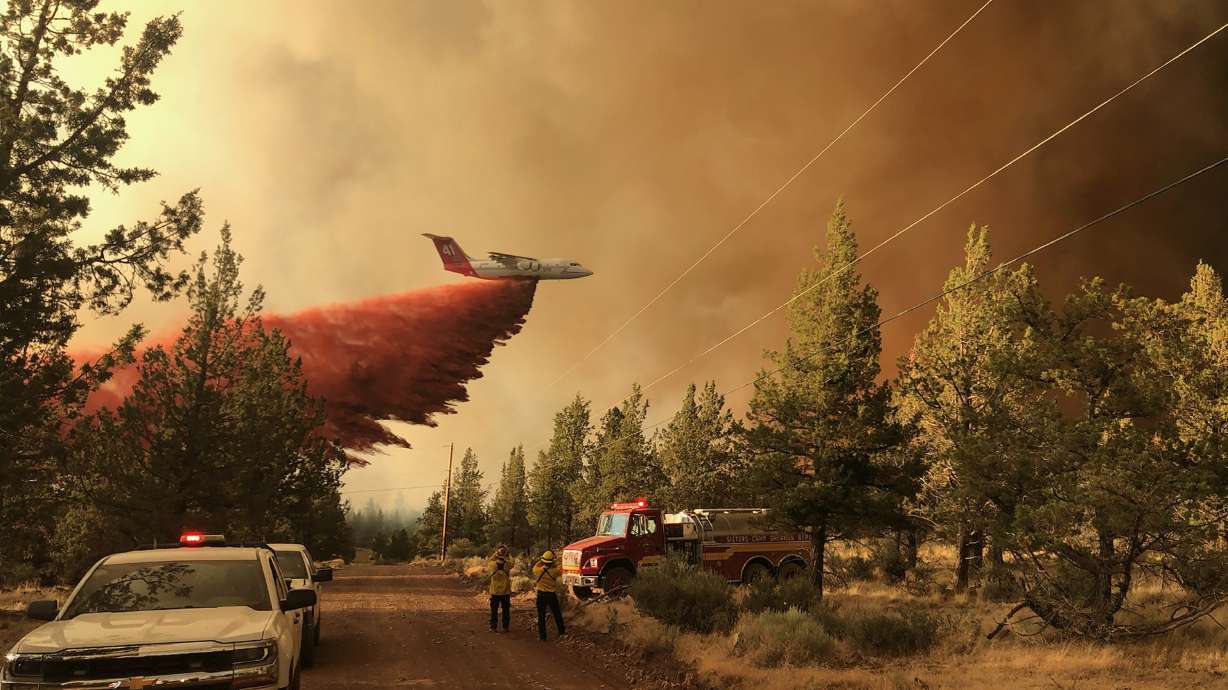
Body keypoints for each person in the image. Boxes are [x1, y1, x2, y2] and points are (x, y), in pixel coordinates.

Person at [532, 550, 565, 641]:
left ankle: (542, 636)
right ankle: (561, 631)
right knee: (557, 613)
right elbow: (561, 567)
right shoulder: (555, 571)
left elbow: (536, 565)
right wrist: (556, 560)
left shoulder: (537, 570)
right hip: (551, 595)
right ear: (551, 562)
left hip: (541, 595)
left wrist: (542, 560)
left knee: (541, 615)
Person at [488, 545, 512, 632]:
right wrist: (508, 554)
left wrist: (496, 553)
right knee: (506, 610)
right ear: (505, 556)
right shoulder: (508, 565)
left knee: (494, 610)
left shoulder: (492, 564)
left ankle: (493, 627)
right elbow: (512, 562)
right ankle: (505, 627)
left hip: (495, 592)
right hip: (505, 592)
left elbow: (489, 560)